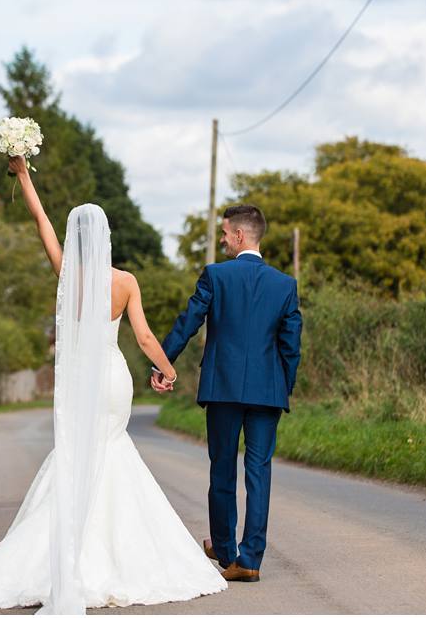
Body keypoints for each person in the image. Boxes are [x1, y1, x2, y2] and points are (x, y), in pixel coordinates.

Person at [0, 155, 226, 613]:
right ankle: (117, 555)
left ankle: (66, 554)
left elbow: (40, 221)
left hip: (78, 381)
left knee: (78, 454)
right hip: (111, 379)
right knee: (112, 450)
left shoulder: (67, 275)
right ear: (107, 237)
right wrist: (167, 370)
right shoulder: (126, 281)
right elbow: (145, 337)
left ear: (77, 240)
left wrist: (24, 174)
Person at [152, 204, 303, 584]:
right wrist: (282, 388)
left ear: (239, 236)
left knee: (222, 468)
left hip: (223, 388)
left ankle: (224, 548)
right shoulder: (285, 285)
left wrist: (162, 362)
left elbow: (188, 322)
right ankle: (249, 558)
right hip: (267, 393)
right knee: (259, 472)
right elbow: (291, 346)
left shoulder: (216, 276)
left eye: (223, 234)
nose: (221, 241)